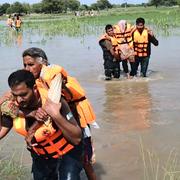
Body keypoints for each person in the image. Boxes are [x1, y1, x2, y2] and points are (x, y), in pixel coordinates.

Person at [0, 47, 97, 180]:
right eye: (24, 65)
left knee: (84, 163)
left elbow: (76, 138)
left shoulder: (54, 93)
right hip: (41, 153)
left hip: (68, 143)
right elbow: (3, 129)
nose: (27, 69)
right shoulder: (15, 99)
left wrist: (55, 115)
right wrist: (29, 113)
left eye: (31, 64)